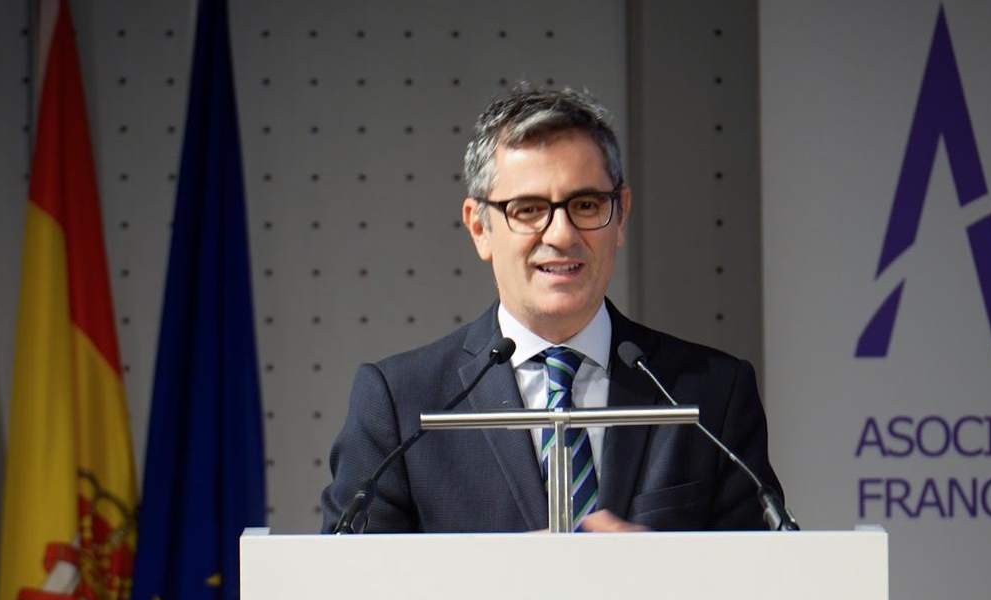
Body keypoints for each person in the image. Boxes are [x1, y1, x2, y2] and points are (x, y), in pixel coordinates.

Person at [320, 85, 784, 533]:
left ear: (620, 214)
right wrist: (514, 578)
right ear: (479, 227)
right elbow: (351, 591)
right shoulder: (401, 403)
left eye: (585, 204)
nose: (561, 234)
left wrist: (657, 574)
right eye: (528, 209)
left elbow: (763, 584)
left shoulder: (713, 393)